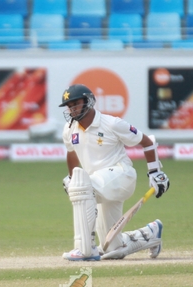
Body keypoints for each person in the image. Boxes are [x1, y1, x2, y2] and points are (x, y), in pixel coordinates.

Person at [59, 84, 170, 261]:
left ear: (89, 102)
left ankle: (84, 249)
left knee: (82, 185)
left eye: (76, 104)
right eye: (69, 106)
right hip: (98, 185)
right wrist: (72, 178)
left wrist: (155, 172)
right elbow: (71, 153)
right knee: (111, 248)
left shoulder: (111, 123)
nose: (72, 109)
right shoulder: (69, 129)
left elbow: (147, 141)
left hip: (121, 175)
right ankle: (150, 233)